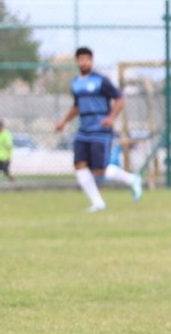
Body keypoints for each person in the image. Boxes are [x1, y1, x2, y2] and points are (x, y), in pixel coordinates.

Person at [54, 47, 142, 212]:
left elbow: (120, 99)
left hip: (100, 130)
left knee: (99, 171)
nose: (83, 62)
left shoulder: (101, 81)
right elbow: (77, 106)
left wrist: (111, 117)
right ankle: (98, 203)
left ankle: (131, 179)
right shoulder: (75, 83)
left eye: (86, 59)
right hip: (83, 130)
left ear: (91, 61)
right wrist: (64, 121)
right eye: (80, 59)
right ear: (77, 61)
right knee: (79, 165)